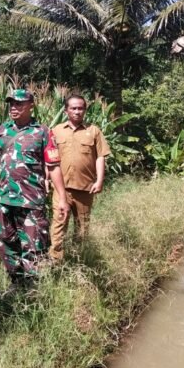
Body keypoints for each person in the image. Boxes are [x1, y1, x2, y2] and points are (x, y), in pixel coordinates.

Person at [0, 88, 68, 297]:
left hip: (31, 201)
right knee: (6, 242)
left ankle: (34, 290)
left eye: (19, 104)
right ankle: (16, 283)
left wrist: (63, 198)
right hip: (4, 198)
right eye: (11, 104)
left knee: (33, 244)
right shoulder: (3, 129)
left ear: (31, 105)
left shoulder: (42, 132)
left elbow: (54, 166)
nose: (14, 108)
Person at [48, 94, 110, 261]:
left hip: (85, 189)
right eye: (73, 108)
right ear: (66, 110)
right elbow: (49, 158)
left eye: (80, 108)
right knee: (58, 226)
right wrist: (47, 178)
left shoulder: (94, 131)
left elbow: (100, 156)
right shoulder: (56, 131)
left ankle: (79, 261)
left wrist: (99, 180)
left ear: (85, 110)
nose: (77, 111)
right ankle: (56, 262)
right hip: (61, 190)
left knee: (82, 229)